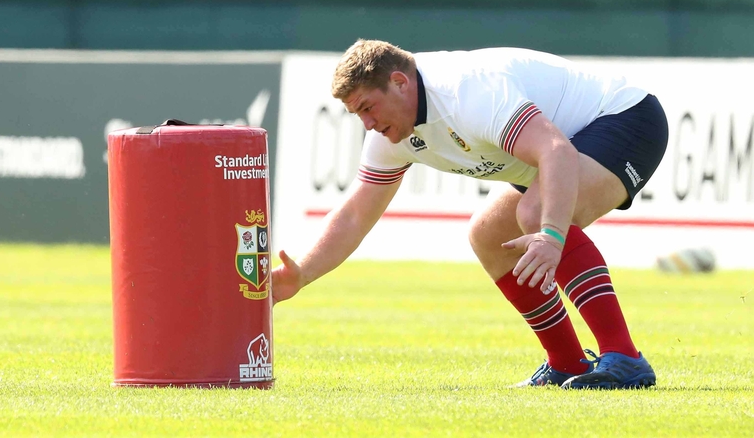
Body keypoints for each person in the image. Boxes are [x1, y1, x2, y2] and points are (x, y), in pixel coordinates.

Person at [272, 39, 668, 389]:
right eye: (358, 115)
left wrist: (552, 234)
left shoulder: (466, 92)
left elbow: (556, 151)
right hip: (562, 145)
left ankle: (625, 357)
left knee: (535, 214)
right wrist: (302, 274)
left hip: (628, 118)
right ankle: (566, 364)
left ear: (399, 82)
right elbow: (355, 216)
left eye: (368, 108)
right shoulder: (391, 134)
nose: (369, 125)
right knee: (488, 234)